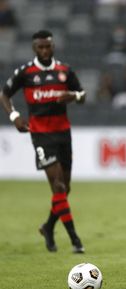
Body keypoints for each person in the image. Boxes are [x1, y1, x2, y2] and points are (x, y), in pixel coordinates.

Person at [0, 30, 86, 253]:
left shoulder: (65, 71)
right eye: (41, 47)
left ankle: (48, 227)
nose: (45, 50)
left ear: (53, 46)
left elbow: (83, 94)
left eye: (48, 46)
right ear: (34, 48)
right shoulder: (26, 72)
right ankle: (75, 239)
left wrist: (74, 96)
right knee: (57, 186)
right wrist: (14, 116)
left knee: (65, 189)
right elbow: (4, 94)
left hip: (63, 133)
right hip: (40, 135)